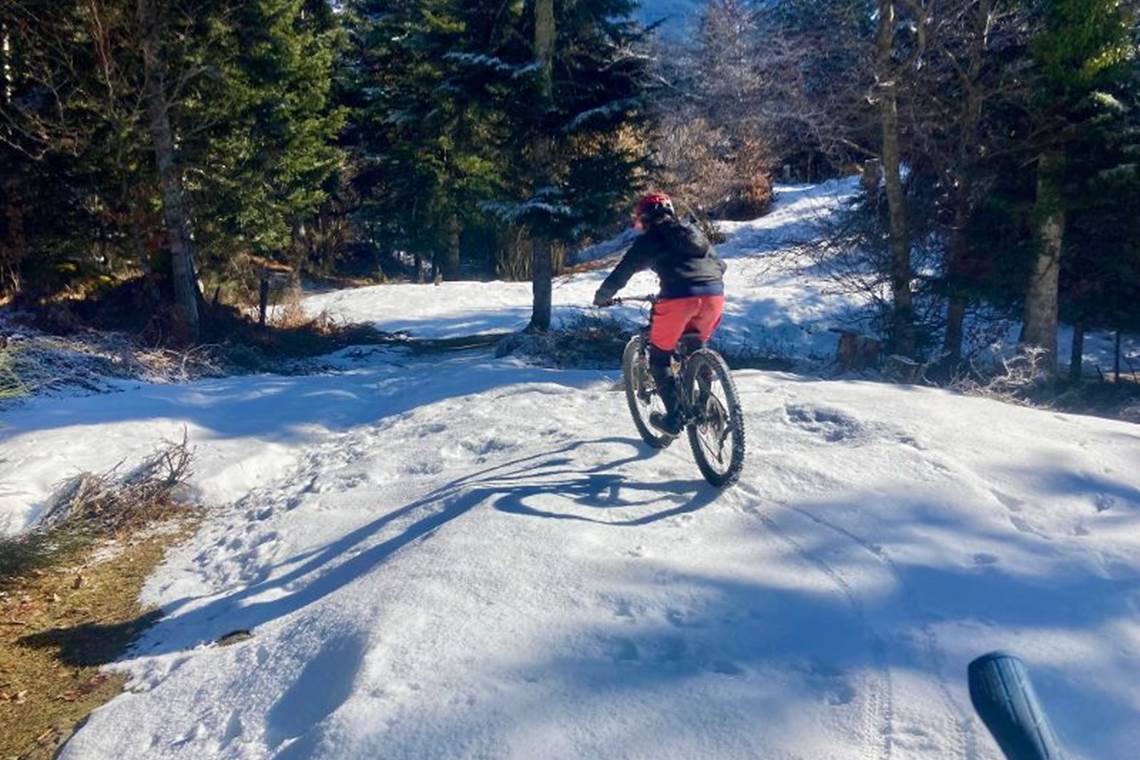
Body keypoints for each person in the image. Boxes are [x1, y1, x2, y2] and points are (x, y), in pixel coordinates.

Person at [593, 193, 727, 436]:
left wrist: (602, 296)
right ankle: (704, 403)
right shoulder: (694, 233)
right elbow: (721, 265)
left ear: (644, 219)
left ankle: (674, 419)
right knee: (695, 346)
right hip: (713, 297)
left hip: (678, 298)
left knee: (660, 358)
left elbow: (623, 271)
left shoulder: (650, 239)